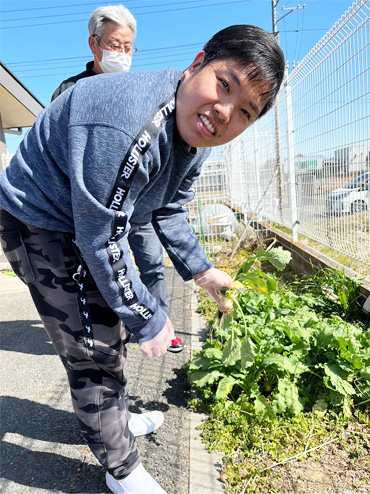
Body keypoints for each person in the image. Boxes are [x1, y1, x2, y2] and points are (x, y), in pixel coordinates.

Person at [0, 24, 285, 493]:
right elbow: (102, 236)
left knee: (109, 331)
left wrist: (200, 268)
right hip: (40, 221)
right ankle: (122, 470)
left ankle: (114, 420)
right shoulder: (132, 122)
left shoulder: (191, 132)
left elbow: (167, 206)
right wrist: (148, 316)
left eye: (245, 112)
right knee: (92, 351)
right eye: (225, 84)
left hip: (81, 221)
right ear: (197, 63)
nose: (224, 111)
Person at [52, 4, 185, 354]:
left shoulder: (137, 89)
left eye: (128, 47)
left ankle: (160, 325)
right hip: (93, 210)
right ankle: (116, 330)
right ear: (94, 44)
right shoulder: (69, 90)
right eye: (115, 45)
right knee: (104, 272)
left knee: (152, 264)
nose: (123, 53)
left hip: (136, 204)